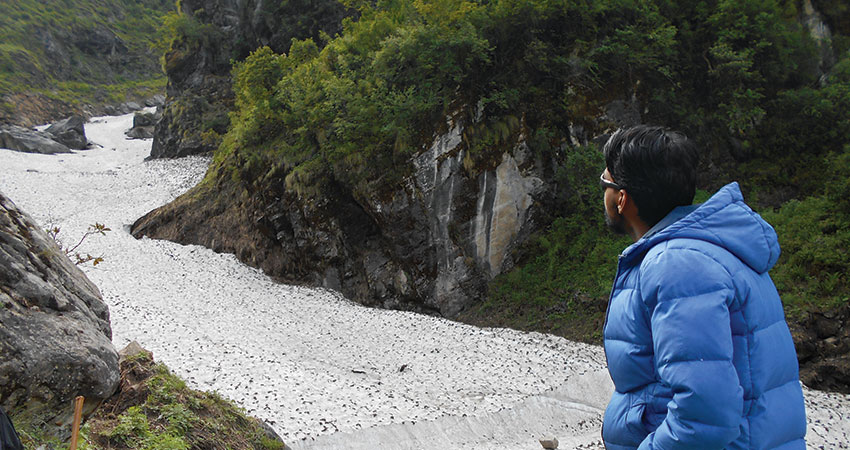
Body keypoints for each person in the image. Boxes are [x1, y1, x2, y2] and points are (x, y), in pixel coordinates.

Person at [599, 125, 806, 449]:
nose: (604, 189)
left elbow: (703, 415)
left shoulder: (677, 267)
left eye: (606, 182)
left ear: (622, 199)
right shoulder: (712, 250)